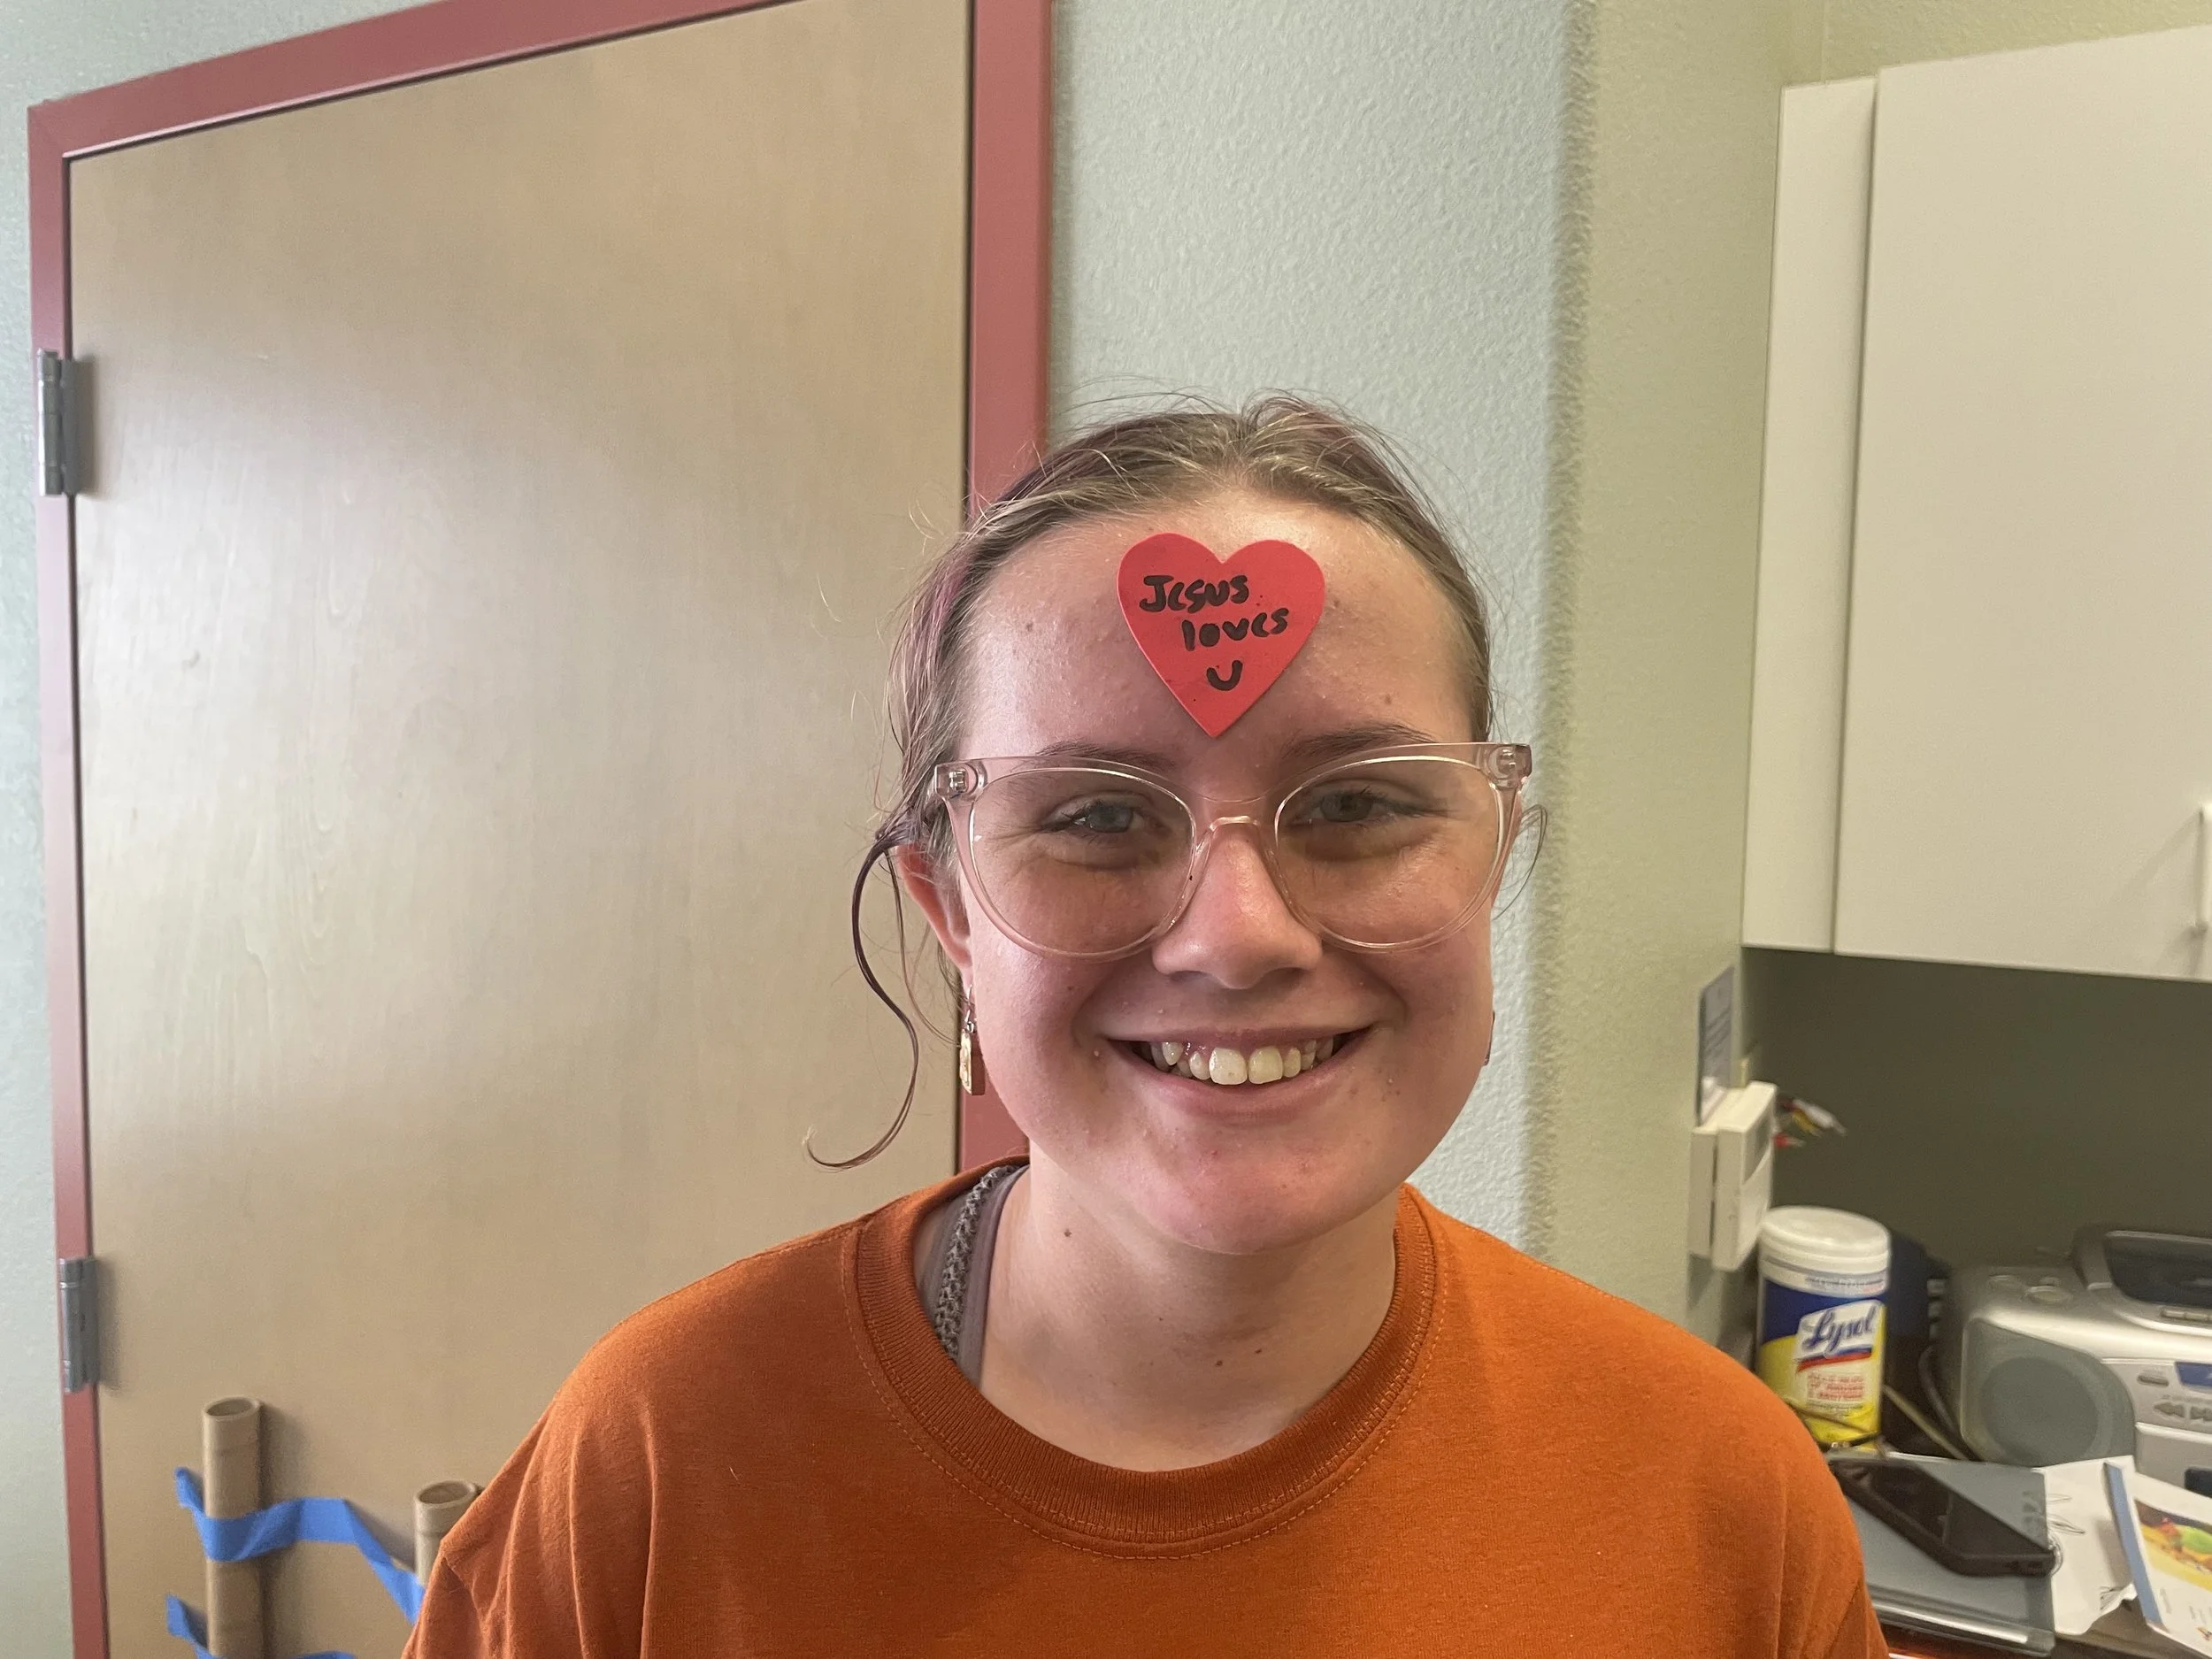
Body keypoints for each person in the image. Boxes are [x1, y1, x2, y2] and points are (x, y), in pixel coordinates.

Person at [405, 397, 1886, 1657]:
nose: (1236, 935)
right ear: (950, 908)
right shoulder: (657, 1469)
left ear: (1495, 853)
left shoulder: (1722, 1502)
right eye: (1097, 817)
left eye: (1358, 803)